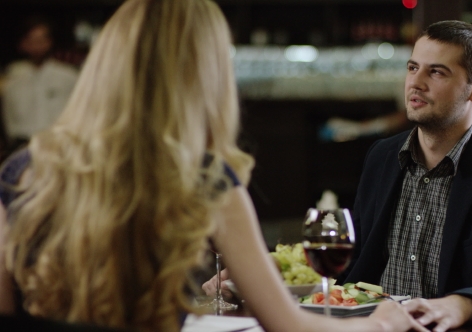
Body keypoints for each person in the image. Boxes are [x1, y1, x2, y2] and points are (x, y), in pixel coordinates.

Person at [0, 1, 427, 332]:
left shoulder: (20, 171)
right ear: (203, 72)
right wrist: (379, 322)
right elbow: (290, 324)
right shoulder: (205, 179)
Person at [337, 20, 472, 331]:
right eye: (413, 68)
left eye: (436, 72)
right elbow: (354, 261)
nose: (416, 83)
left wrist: (460, 305)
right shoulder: (381, 156)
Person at [1, 16, 78, 151]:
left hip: (58, 144)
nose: (37, 45)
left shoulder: (68, 75)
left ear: (50, 41)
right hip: (20, 145)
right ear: (22, 43)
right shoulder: (11, 75)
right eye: (31, 40)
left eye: (41, 39)